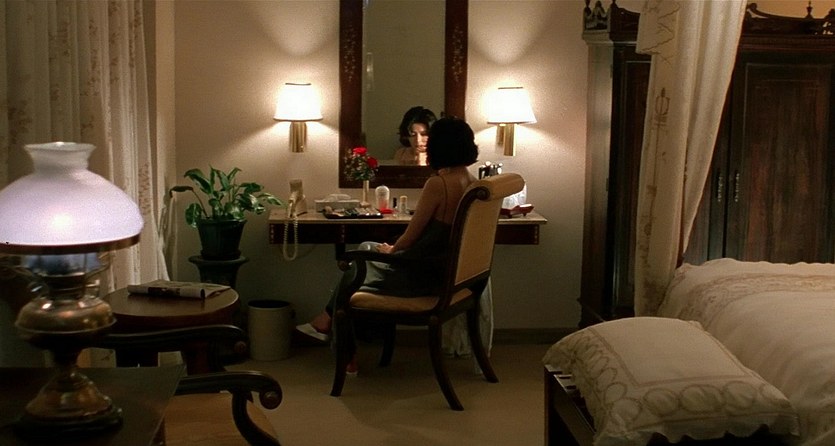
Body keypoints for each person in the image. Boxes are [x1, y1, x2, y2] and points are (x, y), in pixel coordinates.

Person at [296, 117, 480, 362]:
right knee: (365, 251)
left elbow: (410, 237)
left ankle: (334, 335)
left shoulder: (439, 184)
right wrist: (392, 249)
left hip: (421, 276)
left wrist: (392, 250)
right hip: (446, 273)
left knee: (357, 261)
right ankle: (328, 323)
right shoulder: (473, 183)